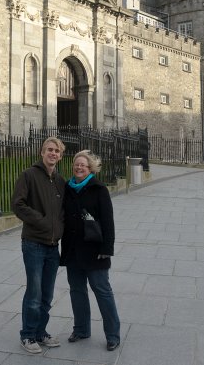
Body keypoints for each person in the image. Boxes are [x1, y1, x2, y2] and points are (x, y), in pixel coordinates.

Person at [60, 150, 121, 351]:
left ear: (90, 169)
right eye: (76, 164)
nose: (79, 168)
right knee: (77, 291)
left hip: (95, 251)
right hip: (73, 251)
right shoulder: (67, 188)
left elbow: (108, 221)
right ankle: (81, 329)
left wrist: (107, 248)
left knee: (102, 291)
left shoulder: (99, 188)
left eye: (83, 166)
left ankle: (112, 335)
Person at [11, 136, 66, 354]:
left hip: (53, 246)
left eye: (57, 151)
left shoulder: (60, 181)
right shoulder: (29, 175)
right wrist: (42, 222)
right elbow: (18, 204)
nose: (53, 153)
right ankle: (27, 335)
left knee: (47, 294)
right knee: (34, 293)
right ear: (42, 153)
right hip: (34, 243)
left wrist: (59, 227)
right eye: (49, 150)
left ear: (60, 156)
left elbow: (63, 211)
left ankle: (41, 332)